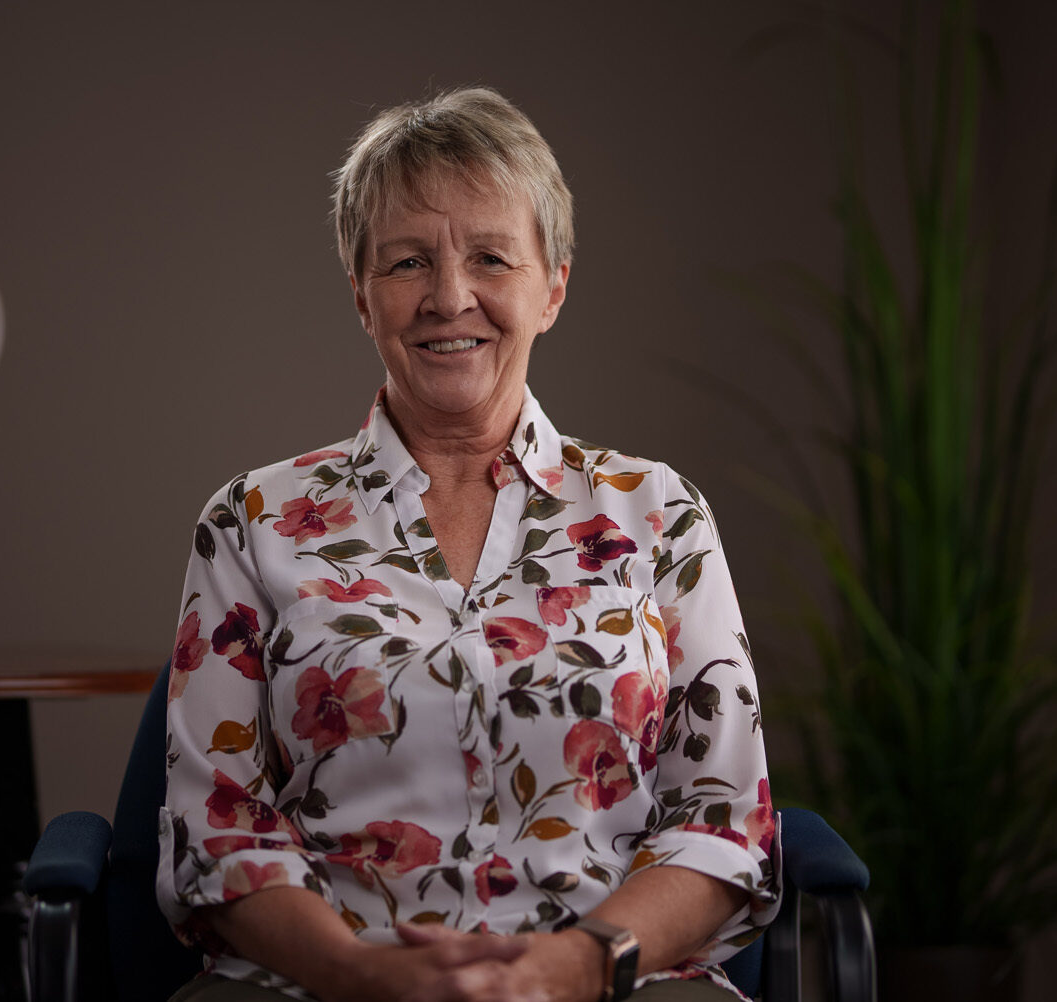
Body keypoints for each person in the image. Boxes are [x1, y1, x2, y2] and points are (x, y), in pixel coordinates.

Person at [158, 86, 778, 1002]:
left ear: (552, 288)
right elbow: (215, 829)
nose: (450, 298)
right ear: (361, 294)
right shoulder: (249, 521)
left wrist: (576, 966)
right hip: (322, 984)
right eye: (409, 262)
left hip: (614, 981)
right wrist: (357, 973)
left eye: (490, 257)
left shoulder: (660, 514)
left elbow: (725, 824)